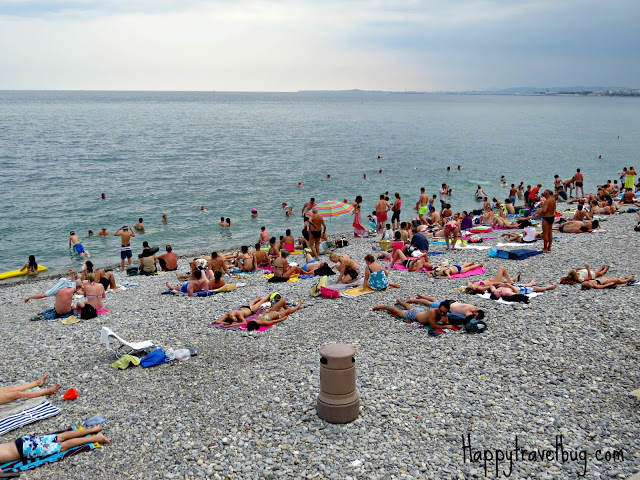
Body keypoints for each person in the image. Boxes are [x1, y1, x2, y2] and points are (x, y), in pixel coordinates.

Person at [0, 425, 110, 466]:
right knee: (59, 437)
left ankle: (96, 438)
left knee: (62, 446)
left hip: (26, 450)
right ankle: (94, 429)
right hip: (22, 441)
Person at [372, 299, 454, 329]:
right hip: (415, 315)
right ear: (439, 308)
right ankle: (382, 306)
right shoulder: (433, 311)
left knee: (410, 308)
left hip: (420, 311)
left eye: (444, 312)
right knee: (396, 311)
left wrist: (445, 321)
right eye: (441, 311)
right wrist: (446, 326)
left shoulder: (444, 313)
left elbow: (446, 322)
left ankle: (400, 301)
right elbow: (434, 325)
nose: (442, 313)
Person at [407, 295, 484, 324]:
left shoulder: (475, 308)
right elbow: (468, 319)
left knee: (436, 301)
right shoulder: (469, 311)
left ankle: (422, 296)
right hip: (449, 306)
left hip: (452, 302)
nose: (474, 315)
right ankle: (414, 300)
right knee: (430, 304)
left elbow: (480, 313)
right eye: (475, 315)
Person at [489, 281, 558, 299]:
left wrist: (501, 283)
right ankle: (548, 287)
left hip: (513, 286)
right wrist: (510, 286)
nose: (500, 292)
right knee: (534, 288)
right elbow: (518, 294)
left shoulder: (494, 291)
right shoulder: (506, 293)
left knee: (523, 284)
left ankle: (531, 283)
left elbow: (491, 285)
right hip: (519, 289)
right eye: (500, 294)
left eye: (498, 292)